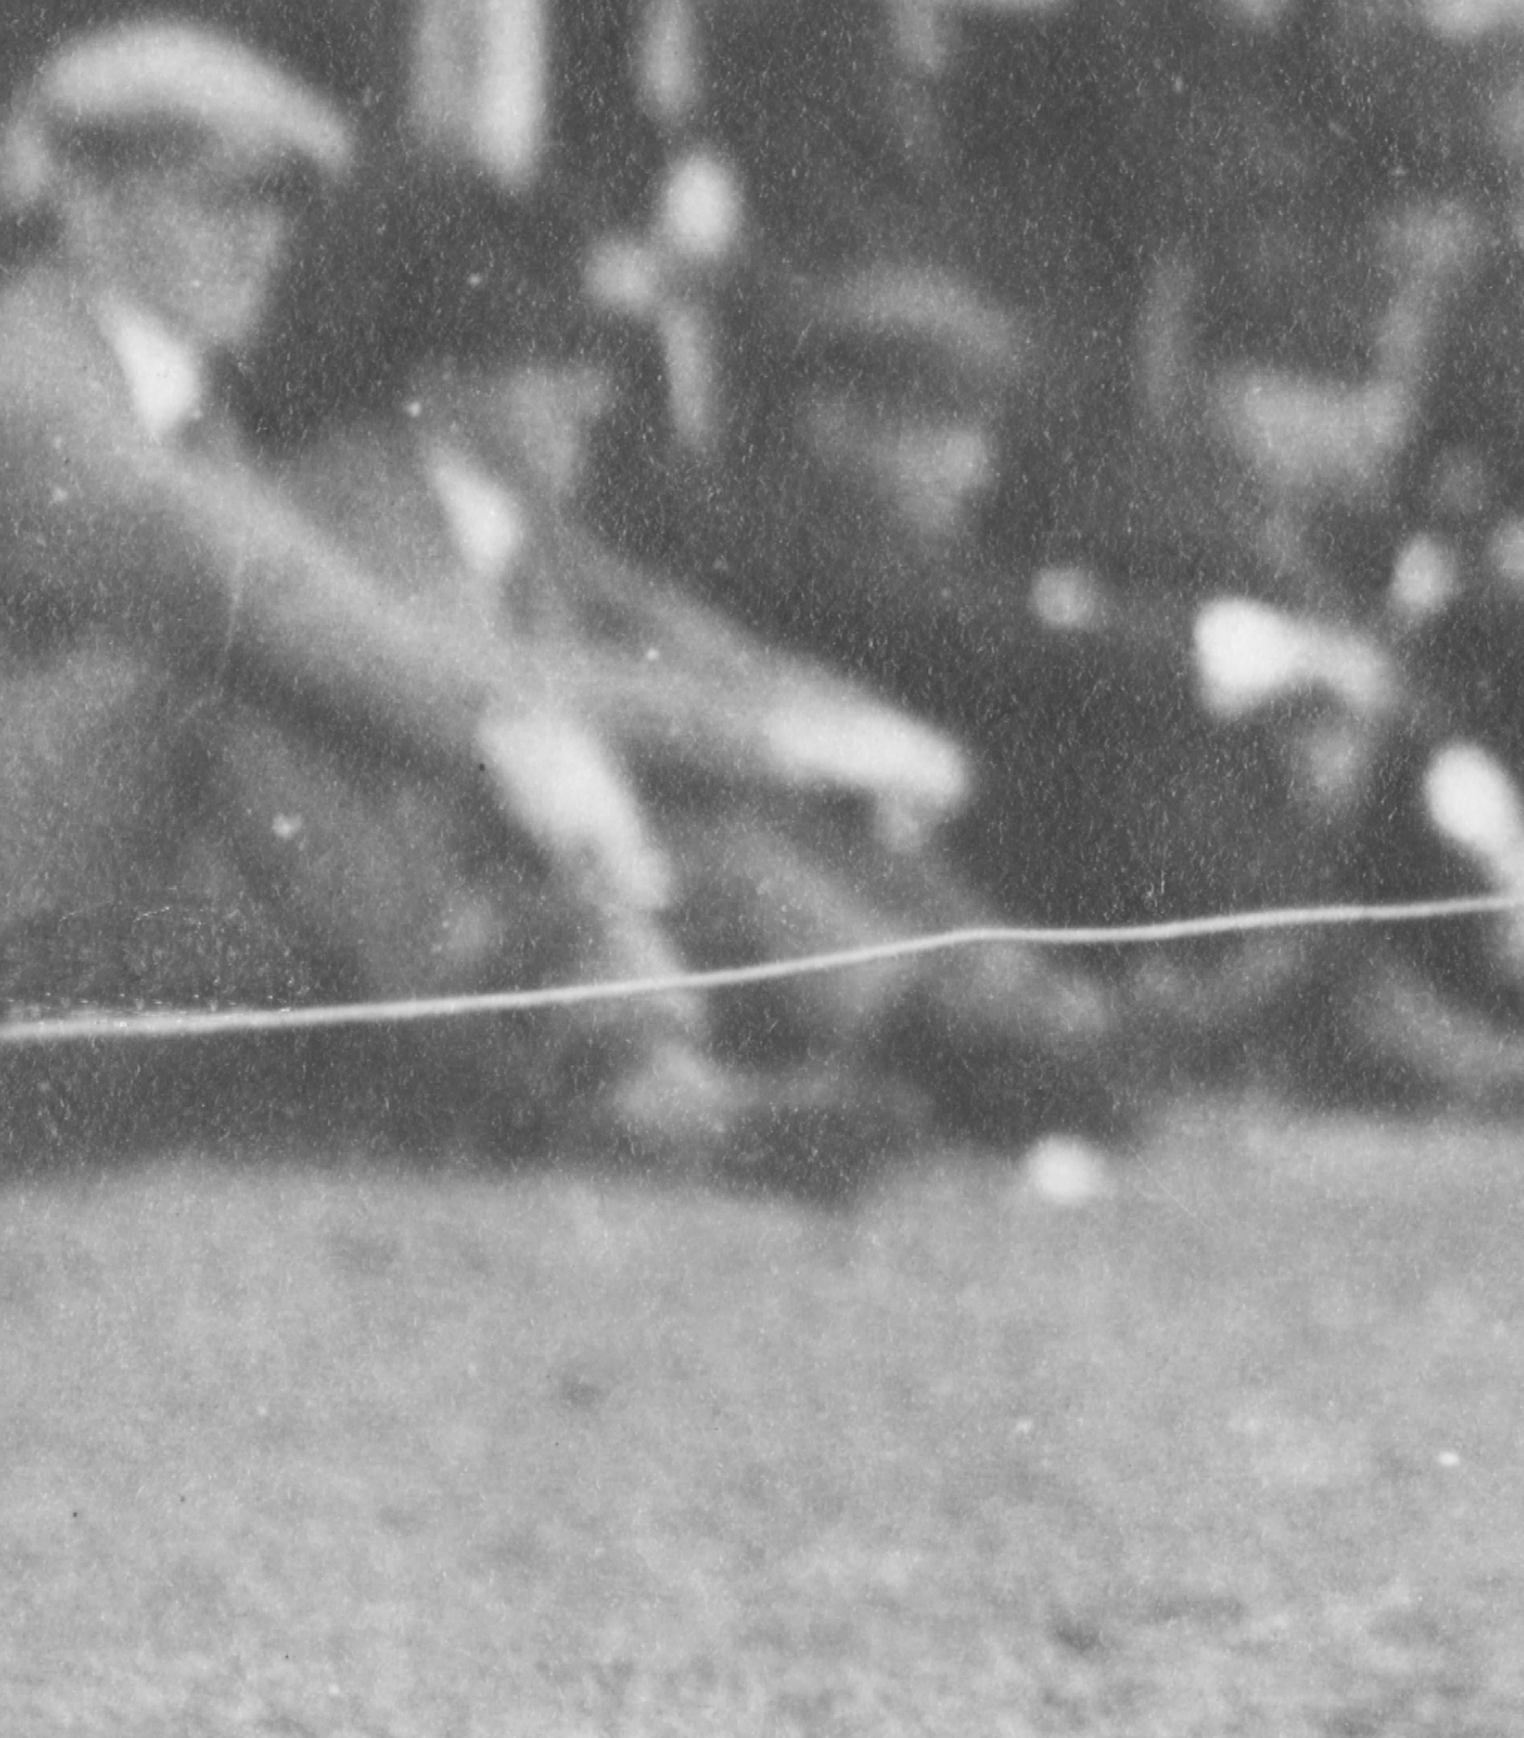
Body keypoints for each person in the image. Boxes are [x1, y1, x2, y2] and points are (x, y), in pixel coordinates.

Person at [0, 19, 814, 1178]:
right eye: (214, 200)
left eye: (280, 210)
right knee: (231, 664)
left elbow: (358, 627)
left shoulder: (168, 405)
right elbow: (286, 609)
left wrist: (557, 731)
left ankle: (609, 1059)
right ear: (79, 200)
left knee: (310, 691)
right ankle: (574, 1073)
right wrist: (535, 733)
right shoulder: (18, 383)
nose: (260, 245)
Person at [235, 161, 1141, 1154]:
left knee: (770, 788)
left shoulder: (525, 525)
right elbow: (495, 686)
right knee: (705, 803)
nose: (594, 396)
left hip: (558, 895)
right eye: (553, 361)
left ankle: (1003, 1007)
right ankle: (950, 1029)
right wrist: (788, 741)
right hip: (421, 905)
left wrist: (856, 731)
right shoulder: (349, 506)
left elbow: (696, 644)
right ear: (439, 379)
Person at [603, 256, 1524, 1110]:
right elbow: (977, 642)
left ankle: (1368, 990)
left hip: (965, 836)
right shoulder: (787, 539)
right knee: (1144, 714)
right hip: (912, 843)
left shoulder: (918, 535)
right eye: (938, 429)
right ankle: (1308, 1002)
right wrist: (1203, 661)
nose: (975, 465)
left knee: (1207, 711)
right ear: (833, 423)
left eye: (979, 431)